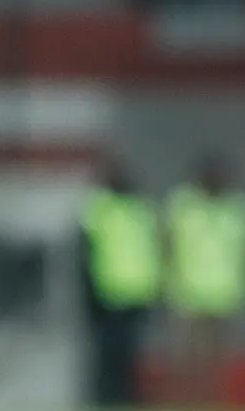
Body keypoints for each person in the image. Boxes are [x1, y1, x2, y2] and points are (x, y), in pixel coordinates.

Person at [164, 154, 245, 405]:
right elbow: (168, 244)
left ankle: (215, 399)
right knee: (189, 355)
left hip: (226, 291)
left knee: (219, 357)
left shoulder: (239, 208)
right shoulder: (183, 204)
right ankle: (187, 399)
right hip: (188, 289)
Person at [79, 158, 161, 407]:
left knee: (129, 349)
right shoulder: (99, 207)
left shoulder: (141, 209)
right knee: (109, 348)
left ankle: (126, 394)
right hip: (108, 291)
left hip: (137, 290)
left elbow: (154, 248)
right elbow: (85, 249)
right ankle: (106, 394)